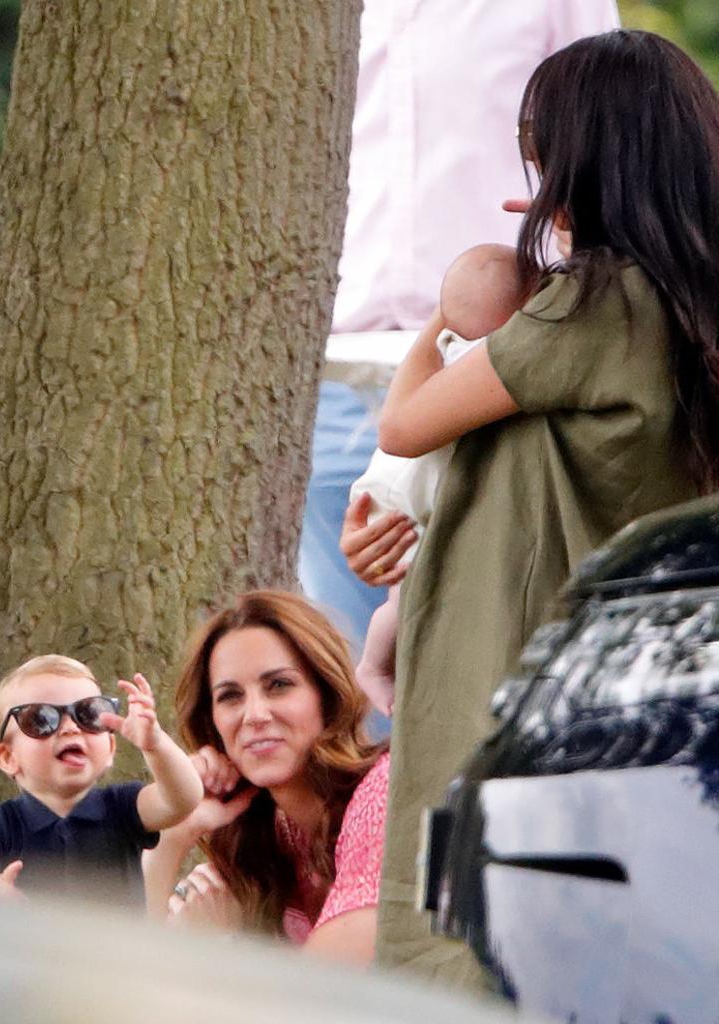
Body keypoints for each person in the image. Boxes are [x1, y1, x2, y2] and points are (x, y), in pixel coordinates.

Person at [341, 29, 719, 986]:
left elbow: (410, 420)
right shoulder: (690, 309)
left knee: (472, 943)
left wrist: (448, 309)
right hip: (644, 698)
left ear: (577, 158)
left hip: (515, 668)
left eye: (539, 149)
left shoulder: (589, 306)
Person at [299, 0, 621, 649]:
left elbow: (613, 121)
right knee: (346, 650)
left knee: (484, 626)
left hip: (500, 353)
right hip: (332, 361)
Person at [142, 590, 389, 965]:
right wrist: (176, 830)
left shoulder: (382, 792)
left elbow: (328, 993)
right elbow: (129, 972)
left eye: (278, 685)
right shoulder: (260, 838)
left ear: (326, 693)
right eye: (230, 696)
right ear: (212, 722)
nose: (254, 714)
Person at [351, 245, 525, 715]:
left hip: (389, 486)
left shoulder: (444, 350)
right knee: (401, 599)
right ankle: (372, 667)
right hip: (419, 491)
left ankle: (372, 665)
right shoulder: (501, 357)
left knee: (397, 602)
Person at [0, 655, 203, 908]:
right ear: (7, 757)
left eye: (89, 714)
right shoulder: (3, 824)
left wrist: (155, 744)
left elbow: (184, 798)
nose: (71, 727)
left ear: (111, 748)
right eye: (41, 719)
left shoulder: (122, 807)